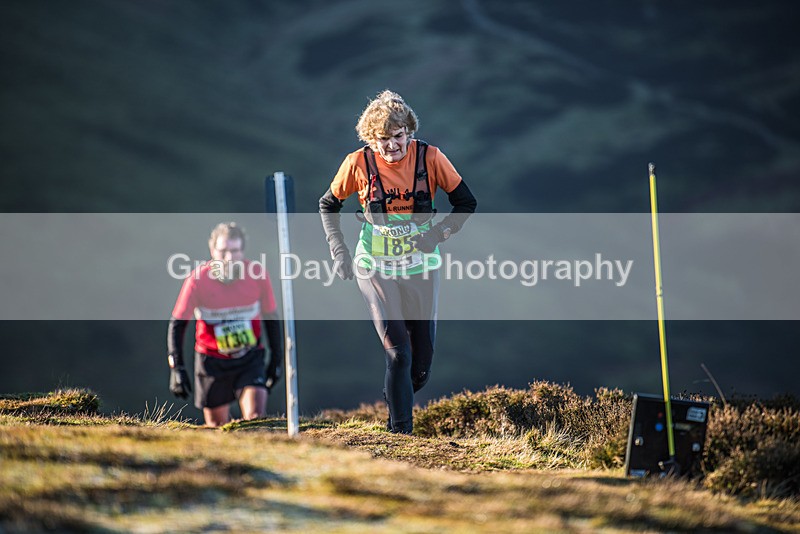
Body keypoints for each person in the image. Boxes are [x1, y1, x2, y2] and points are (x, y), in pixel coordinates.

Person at [319, 90, 477, 434]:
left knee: (420, 366)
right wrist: (338, 249)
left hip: (420, 267)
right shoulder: (357, 163)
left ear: (410, 132)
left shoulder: (431, 158)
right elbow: (328, 204)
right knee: (399, 355)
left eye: (397, 137)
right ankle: (400, 434)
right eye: (381, 140)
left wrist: (437, 235)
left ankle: (396, 396)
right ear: (370, 139)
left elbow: (466, 203)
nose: (391, 146)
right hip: (374, 265)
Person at [167, 222, 283, 427]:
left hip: (249, 357)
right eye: (223, 251)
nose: (229, 258)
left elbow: (271, 318)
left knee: (255, 420)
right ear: (212, 251)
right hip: (211, 361)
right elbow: (178, 324)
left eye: (235, 251)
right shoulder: (197, 280)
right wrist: (177, 368)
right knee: (217, 428)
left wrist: (276, 359)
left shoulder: (257, 275)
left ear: (243, 251)